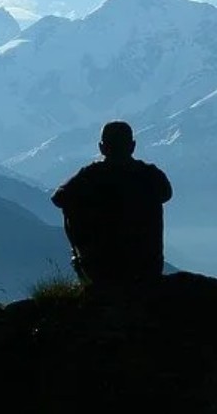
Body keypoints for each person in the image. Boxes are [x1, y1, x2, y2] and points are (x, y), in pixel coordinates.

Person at [50, 120, 172, 289]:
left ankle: (82, 262)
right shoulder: (151, 175)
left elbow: (58, 198)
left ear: (102, 147)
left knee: (71, 205)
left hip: (100, 269)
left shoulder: (90, 176)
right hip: (147, 266)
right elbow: (167, 194)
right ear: (132, 146)